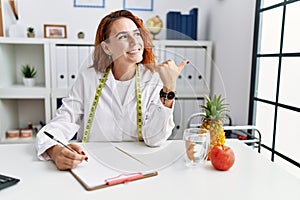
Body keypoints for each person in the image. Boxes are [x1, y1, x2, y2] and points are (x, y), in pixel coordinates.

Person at [36, 10, 188, 170]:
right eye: (123, 36)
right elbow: (62, 122)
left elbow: (154, 139)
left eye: (137, 34)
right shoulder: (88, 78)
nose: (135, 42)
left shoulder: (153, 79)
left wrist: (169, 88)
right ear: (107, 48)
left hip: (138, 167)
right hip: (92, 166)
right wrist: (55, 151)